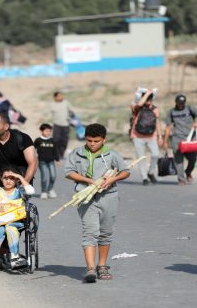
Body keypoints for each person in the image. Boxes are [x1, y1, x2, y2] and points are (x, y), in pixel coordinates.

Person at [65, 123, 130, 283]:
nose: (92, 144)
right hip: (85, 197)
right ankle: (91, 269)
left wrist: (112, 179)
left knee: (105, 233)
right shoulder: (77, 153)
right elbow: (69, 172)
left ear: (104, 140)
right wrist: (88, 180)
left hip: (109, 197)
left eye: (96, 141)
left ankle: (102, 265)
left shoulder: (112, 154)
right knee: (90, 232)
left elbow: (125, 171)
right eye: (89, 140)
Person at [0, 167, 35, 268]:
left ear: (16, 180)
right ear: (1, 179)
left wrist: (19, 177)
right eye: (5, 178)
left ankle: (14, 257)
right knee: (0, 229)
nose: (8, 180)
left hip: (16, 221)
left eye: (12, 178)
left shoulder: (19, 191)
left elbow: (31, 191)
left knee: (10, 228)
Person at [162, 94, 197, 185]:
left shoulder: (190, 108)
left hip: (190, 139)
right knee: (178, 159)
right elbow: (167, 127)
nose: (180, 105)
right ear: (175, 102)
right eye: (179, 103)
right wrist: (165, 142)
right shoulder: (171, 112)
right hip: (177, 138)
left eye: (182, 104)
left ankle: (188, 172)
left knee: (193, 159)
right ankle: (181, 179)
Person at [130, 88, 162, 186]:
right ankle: (144, 177)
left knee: (156, 154)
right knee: (141, 157)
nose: (148, 101)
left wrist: (160, 136)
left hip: (151, 136)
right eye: (147, 99)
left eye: (150, 99)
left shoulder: (155, 109)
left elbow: (157, 122)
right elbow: (139, 104)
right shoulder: (136, 108)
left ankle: (151, 172)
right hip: (137, 136)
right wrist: (147, 93)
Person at [34, 123, 60, 199]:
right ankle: (44, 192)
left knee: (53, 176)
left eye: (49, 131)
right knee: (44, 177)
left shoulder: (52, 140)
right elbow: (32, 148)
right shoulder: (38, 140)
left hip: (51, 161)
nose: (48, 133)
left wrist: (57, 160)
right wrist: (33, 156)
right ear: (42, 131)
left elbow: (55, 151)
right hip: (42, 162)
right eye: (46, 131)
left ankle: (50, 189)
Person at [48, 91, 72, 160]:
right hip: (57, 125)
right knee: (56, 140)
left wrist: (72, 116)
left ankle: (61, 154)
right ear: (55, 97)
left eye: (61, 96)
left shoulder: (66, 103)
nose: (61, 97)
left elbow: (72, 110)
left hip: (66, 125)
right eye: (59, 96)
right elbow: (47, 113)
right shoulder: (52, 104)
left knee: (64, 141)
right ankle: (56, 154)